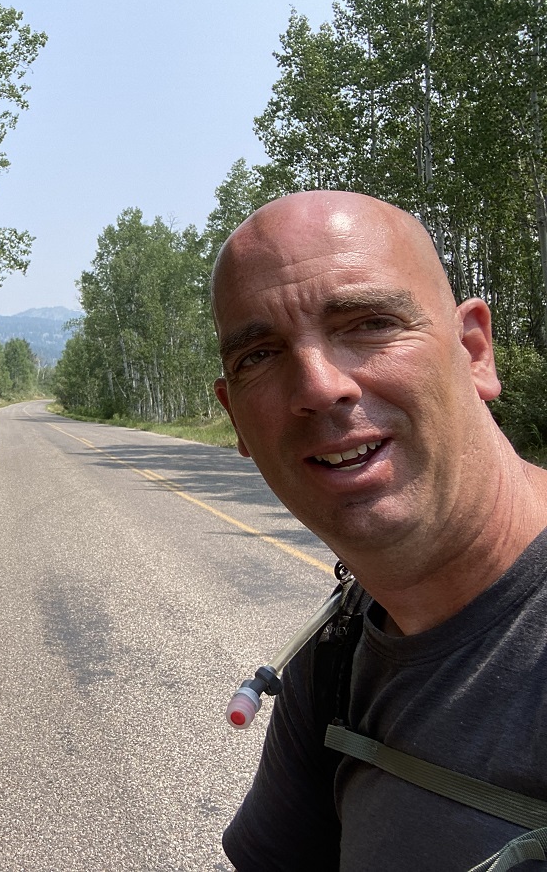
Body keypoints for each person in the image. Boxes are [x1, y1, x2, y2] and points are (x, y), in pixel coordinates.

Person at [211, 191, 547, 871]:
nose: (318, 385)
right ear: (236, 419)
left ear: (474, 350)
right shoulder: (340, 645)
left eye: (368, 322)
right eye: (260, 356)